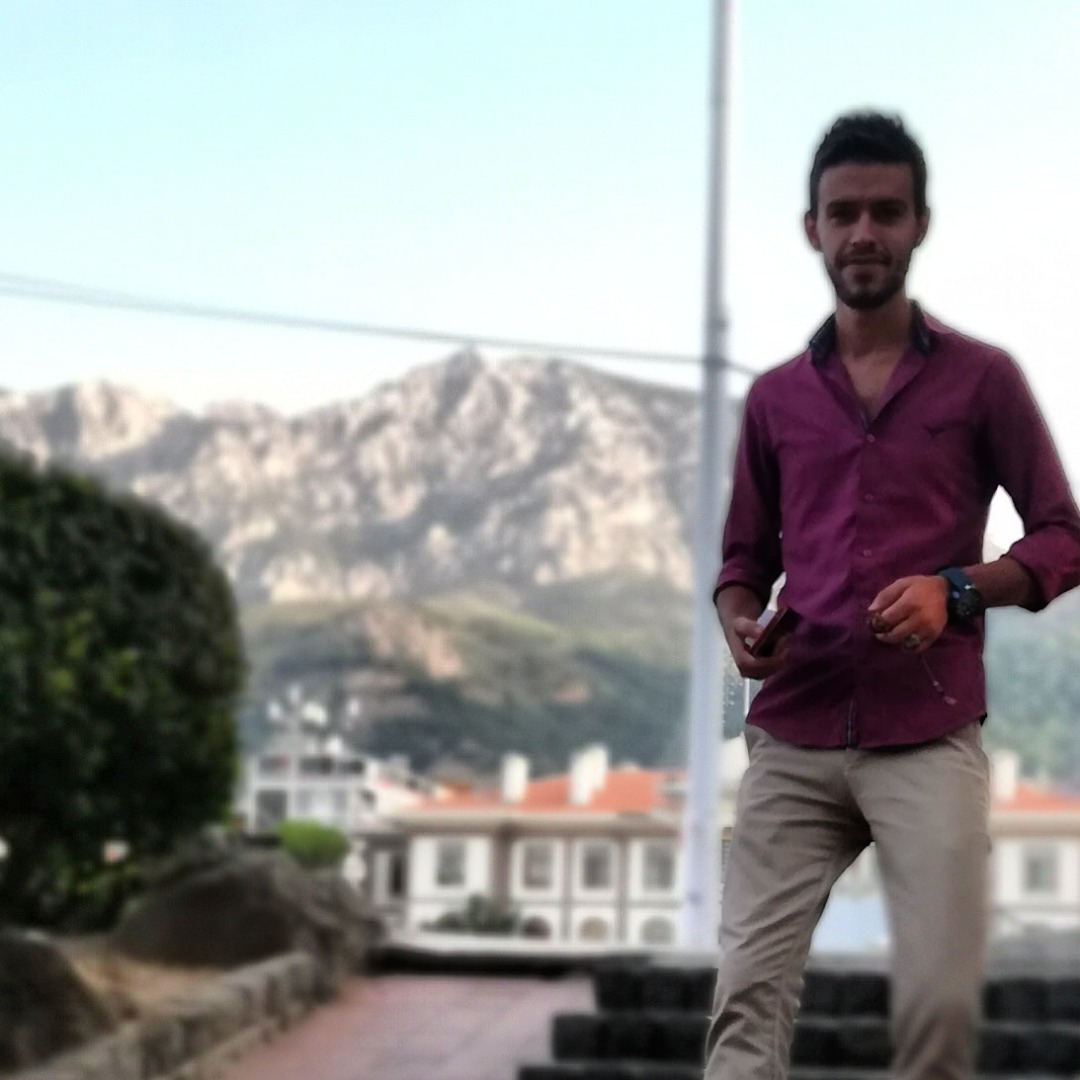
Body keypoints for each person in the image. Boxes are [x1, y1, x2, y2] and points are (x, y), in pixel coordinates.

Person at [705, 111, 1080, 1080]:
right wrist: (741, 624)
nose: (863, 232)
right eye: (843, 214)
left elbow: (1062, 536)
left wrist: (958, 590)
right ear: (813, 230)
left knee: (940, 1011)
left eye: (885, 212)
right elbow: (741, 561)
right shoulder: (776, 400)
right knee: (745, 997)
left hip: (928, 730)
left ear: (920, 225)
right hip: (793, 732)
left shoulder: (984, 380)